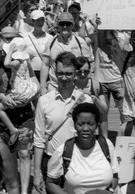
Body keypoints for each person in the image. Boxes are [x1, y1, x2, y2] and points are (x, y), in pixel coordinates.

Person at [33, 52, 94, 194]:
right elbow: (39, 139)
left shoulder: (86, 100)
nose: (64, 78)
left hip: (78, 161)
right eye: (60, 73)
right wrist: (37, 173)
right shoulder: (44, 101)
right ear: (54, 73)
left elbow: (91, 135)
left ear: (76, 74)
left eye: (68, 74)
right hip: (50, 160)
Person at [45, 102, 118, 194]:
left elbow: (115, 175)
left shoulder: (107, 145)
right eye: (81, 124)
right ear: (74, 125)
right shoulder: (63, 150)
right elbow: (50, 183)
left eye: (90, 124)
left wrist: (110, 191)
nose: (85, 129)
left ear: (96, 125)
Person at [40, 11, 92, 91]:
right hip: (55, 87)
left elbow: (87, 66)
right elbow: (45, 64)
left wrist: (87, 86)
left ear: (72, 25)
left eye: (68, 24)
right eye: (62, 24)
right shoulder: (51, 42)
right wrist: (43, 87)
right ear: (58, 26)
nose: (65, 26)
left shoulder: (80, 42)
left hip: (76, 88)